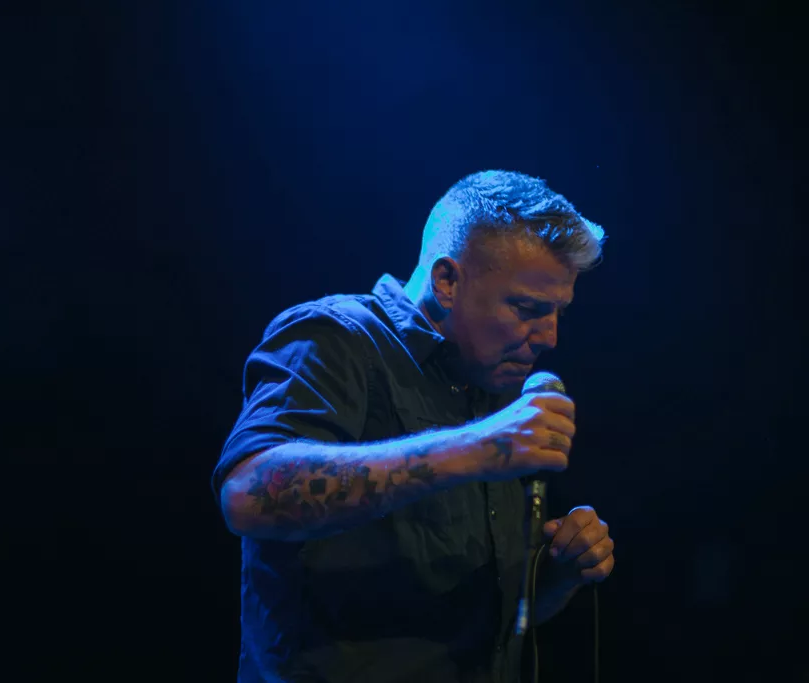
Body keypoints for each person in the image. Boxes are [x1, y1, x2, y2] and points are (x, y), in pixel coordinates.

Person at [212, 170, 616, 682]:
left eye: (558, 311)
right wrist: (479, 447)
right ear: (447, 281)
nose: (550, 337)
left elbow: (483, 620)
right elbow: (247, 495)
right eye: (527, 308)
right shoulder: (338, 338)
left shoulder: (493, 385)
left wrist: (557, 574)